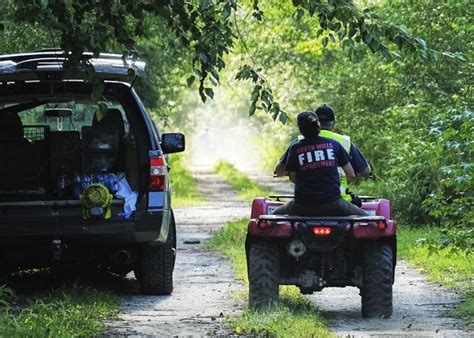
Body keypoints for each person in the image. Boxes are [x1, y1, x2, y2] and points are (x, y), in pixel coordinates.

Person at [273, 111, 367, 216]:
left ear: (300, 129)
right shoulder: (334, 144)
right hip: (334, 203)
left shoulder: (295, 147)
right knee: (367, 218)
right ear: (318, 125)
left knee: (273, 217)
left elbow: (294, 178)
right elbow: (351, 175)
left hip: (302, 205)